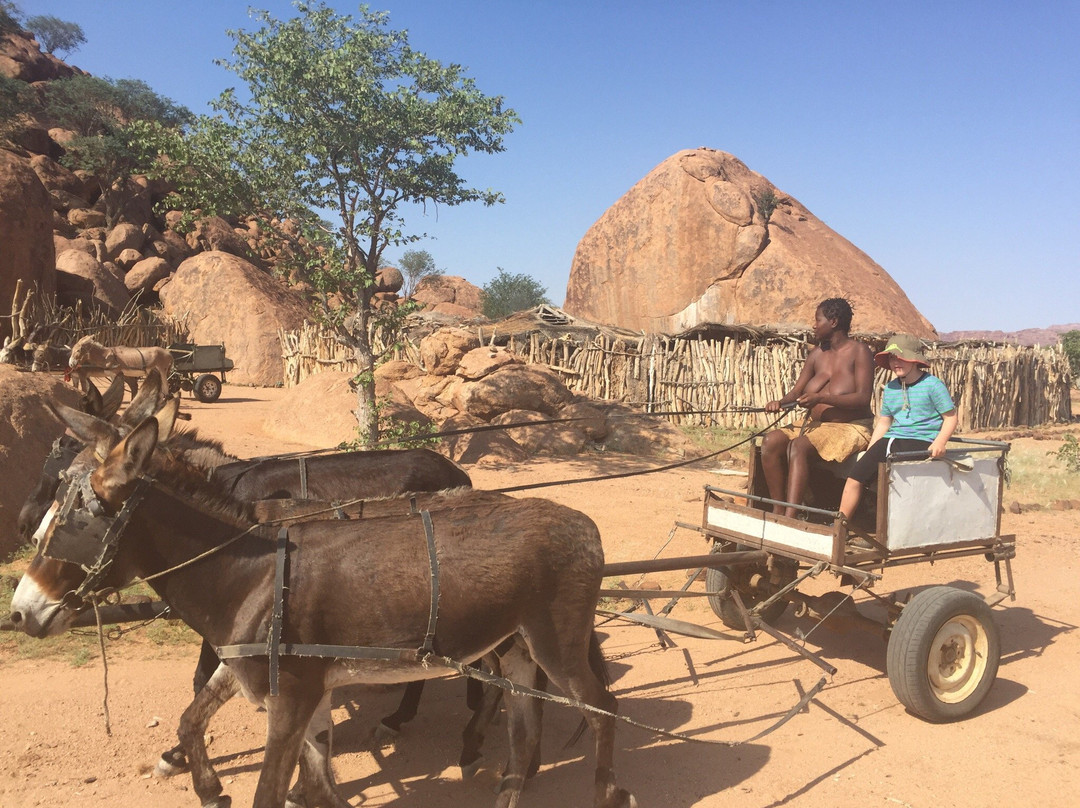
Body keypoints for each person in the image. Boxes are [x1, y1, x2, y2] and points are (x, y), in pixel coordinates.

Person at [760, 298, 875, 517]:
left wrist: (822, 398)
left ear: (832, 321)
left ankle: (791, 517)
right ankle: (777, 509)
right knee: (770, 441)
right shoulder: (816, 355)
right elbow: (797, 392)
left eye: (817, 320)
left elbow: (862, 398)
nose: (813, 325)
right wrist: (780, 402)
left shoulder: (860, 352)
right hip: (816, 425)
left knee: (799, 446)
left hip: (851, 428)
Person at [839, 333, 958, 521]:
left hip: (919, 441)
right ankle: (841, 525)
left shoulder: (933, 385)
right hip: (891, 441)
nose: (896, 362)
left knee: (894, 483)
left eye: (901, 357)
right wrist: (871, 449)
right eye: (892, 358)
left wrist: (940, 442)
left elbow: (950, 418)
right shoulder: (892, 388)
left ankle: (888, 529)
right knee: (855, 476)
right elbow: (884, 422)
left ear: (914, 359)